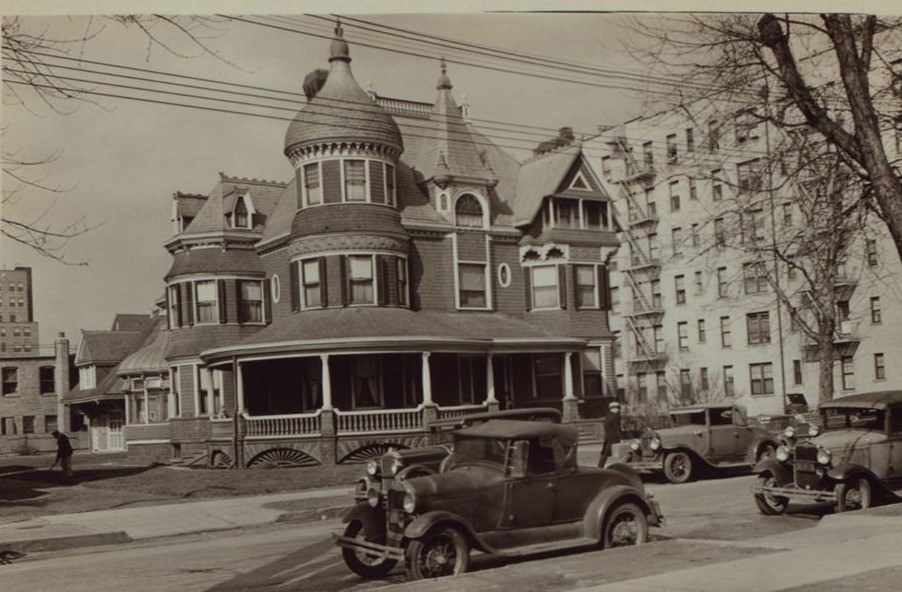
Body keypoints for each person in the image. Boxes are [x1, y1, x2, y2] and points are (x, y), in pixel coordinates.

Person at [598, 401, 623, 468]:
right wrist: (621, 438)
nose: (618, 410)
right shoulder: (616, 416)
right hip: (614, 438)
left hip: (607, 438)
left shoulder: (608, 416)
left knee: (605, 454)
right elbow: (617, 428)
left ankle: (600, 466)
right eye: (618, 408)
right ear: (615, 408)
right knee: (621, 452)